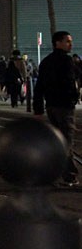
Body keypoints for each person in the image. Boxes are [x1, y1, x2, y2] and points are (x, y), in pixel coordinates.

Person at [33, 31, 79, 186]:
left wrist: (38, 109)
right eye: (67, 41)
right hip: (64, 106)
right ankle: (68, 175)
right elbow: (70, 82)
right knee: (66, 141)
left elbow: (39, 87)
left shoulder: (46, 62)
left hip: (51, 105)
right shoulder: (67, 61)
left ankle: (53, 173)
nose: (70, 44)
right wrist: (73, 97)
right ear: (57, 43)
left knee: (57, 141)